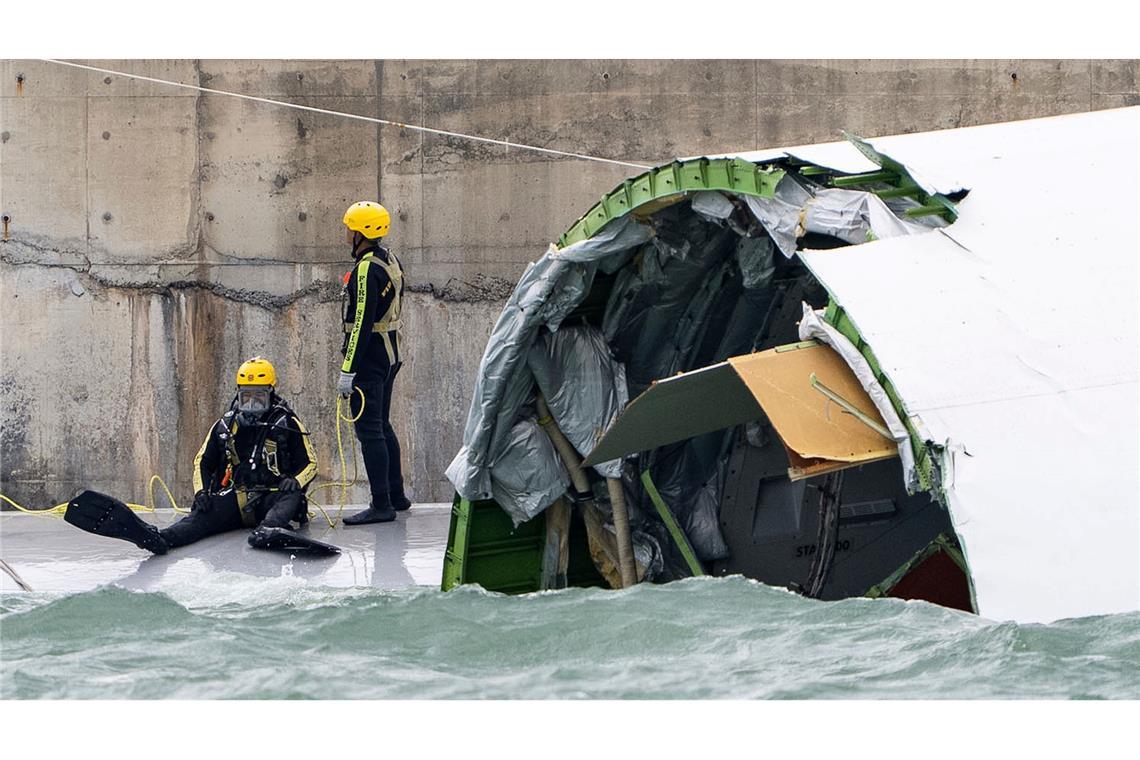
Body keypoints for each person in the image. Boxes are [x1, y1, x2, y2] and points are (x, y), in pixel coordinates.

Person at [65, 357, 333, 555]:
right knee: (200, 518)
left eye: (259, 398)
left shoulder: (286, 423)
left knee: (290, 497)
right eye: (246, 397)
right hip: (238, 498)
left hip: (273, 496)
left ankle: (270, 530)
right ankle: (159, 537)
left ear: (271, 394)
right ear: (238, 395)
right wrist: (202, 492)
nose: (251, 405)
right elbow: (202, 461)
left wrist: (295, 482)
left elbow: (310, 462)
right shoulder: (226, 425)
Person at [337, 201, 411, 525]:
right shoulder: (389, 259)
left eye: (350, 228)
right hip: (390, 353)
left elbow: (363, 322)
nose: (346, 233)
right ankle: (397, 495)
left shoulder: (367, 269)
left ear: (361, 233)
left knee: (370, 431)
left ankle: (382, 504)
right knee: (382, 426)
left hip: (371, 359)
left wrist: (347, 370)